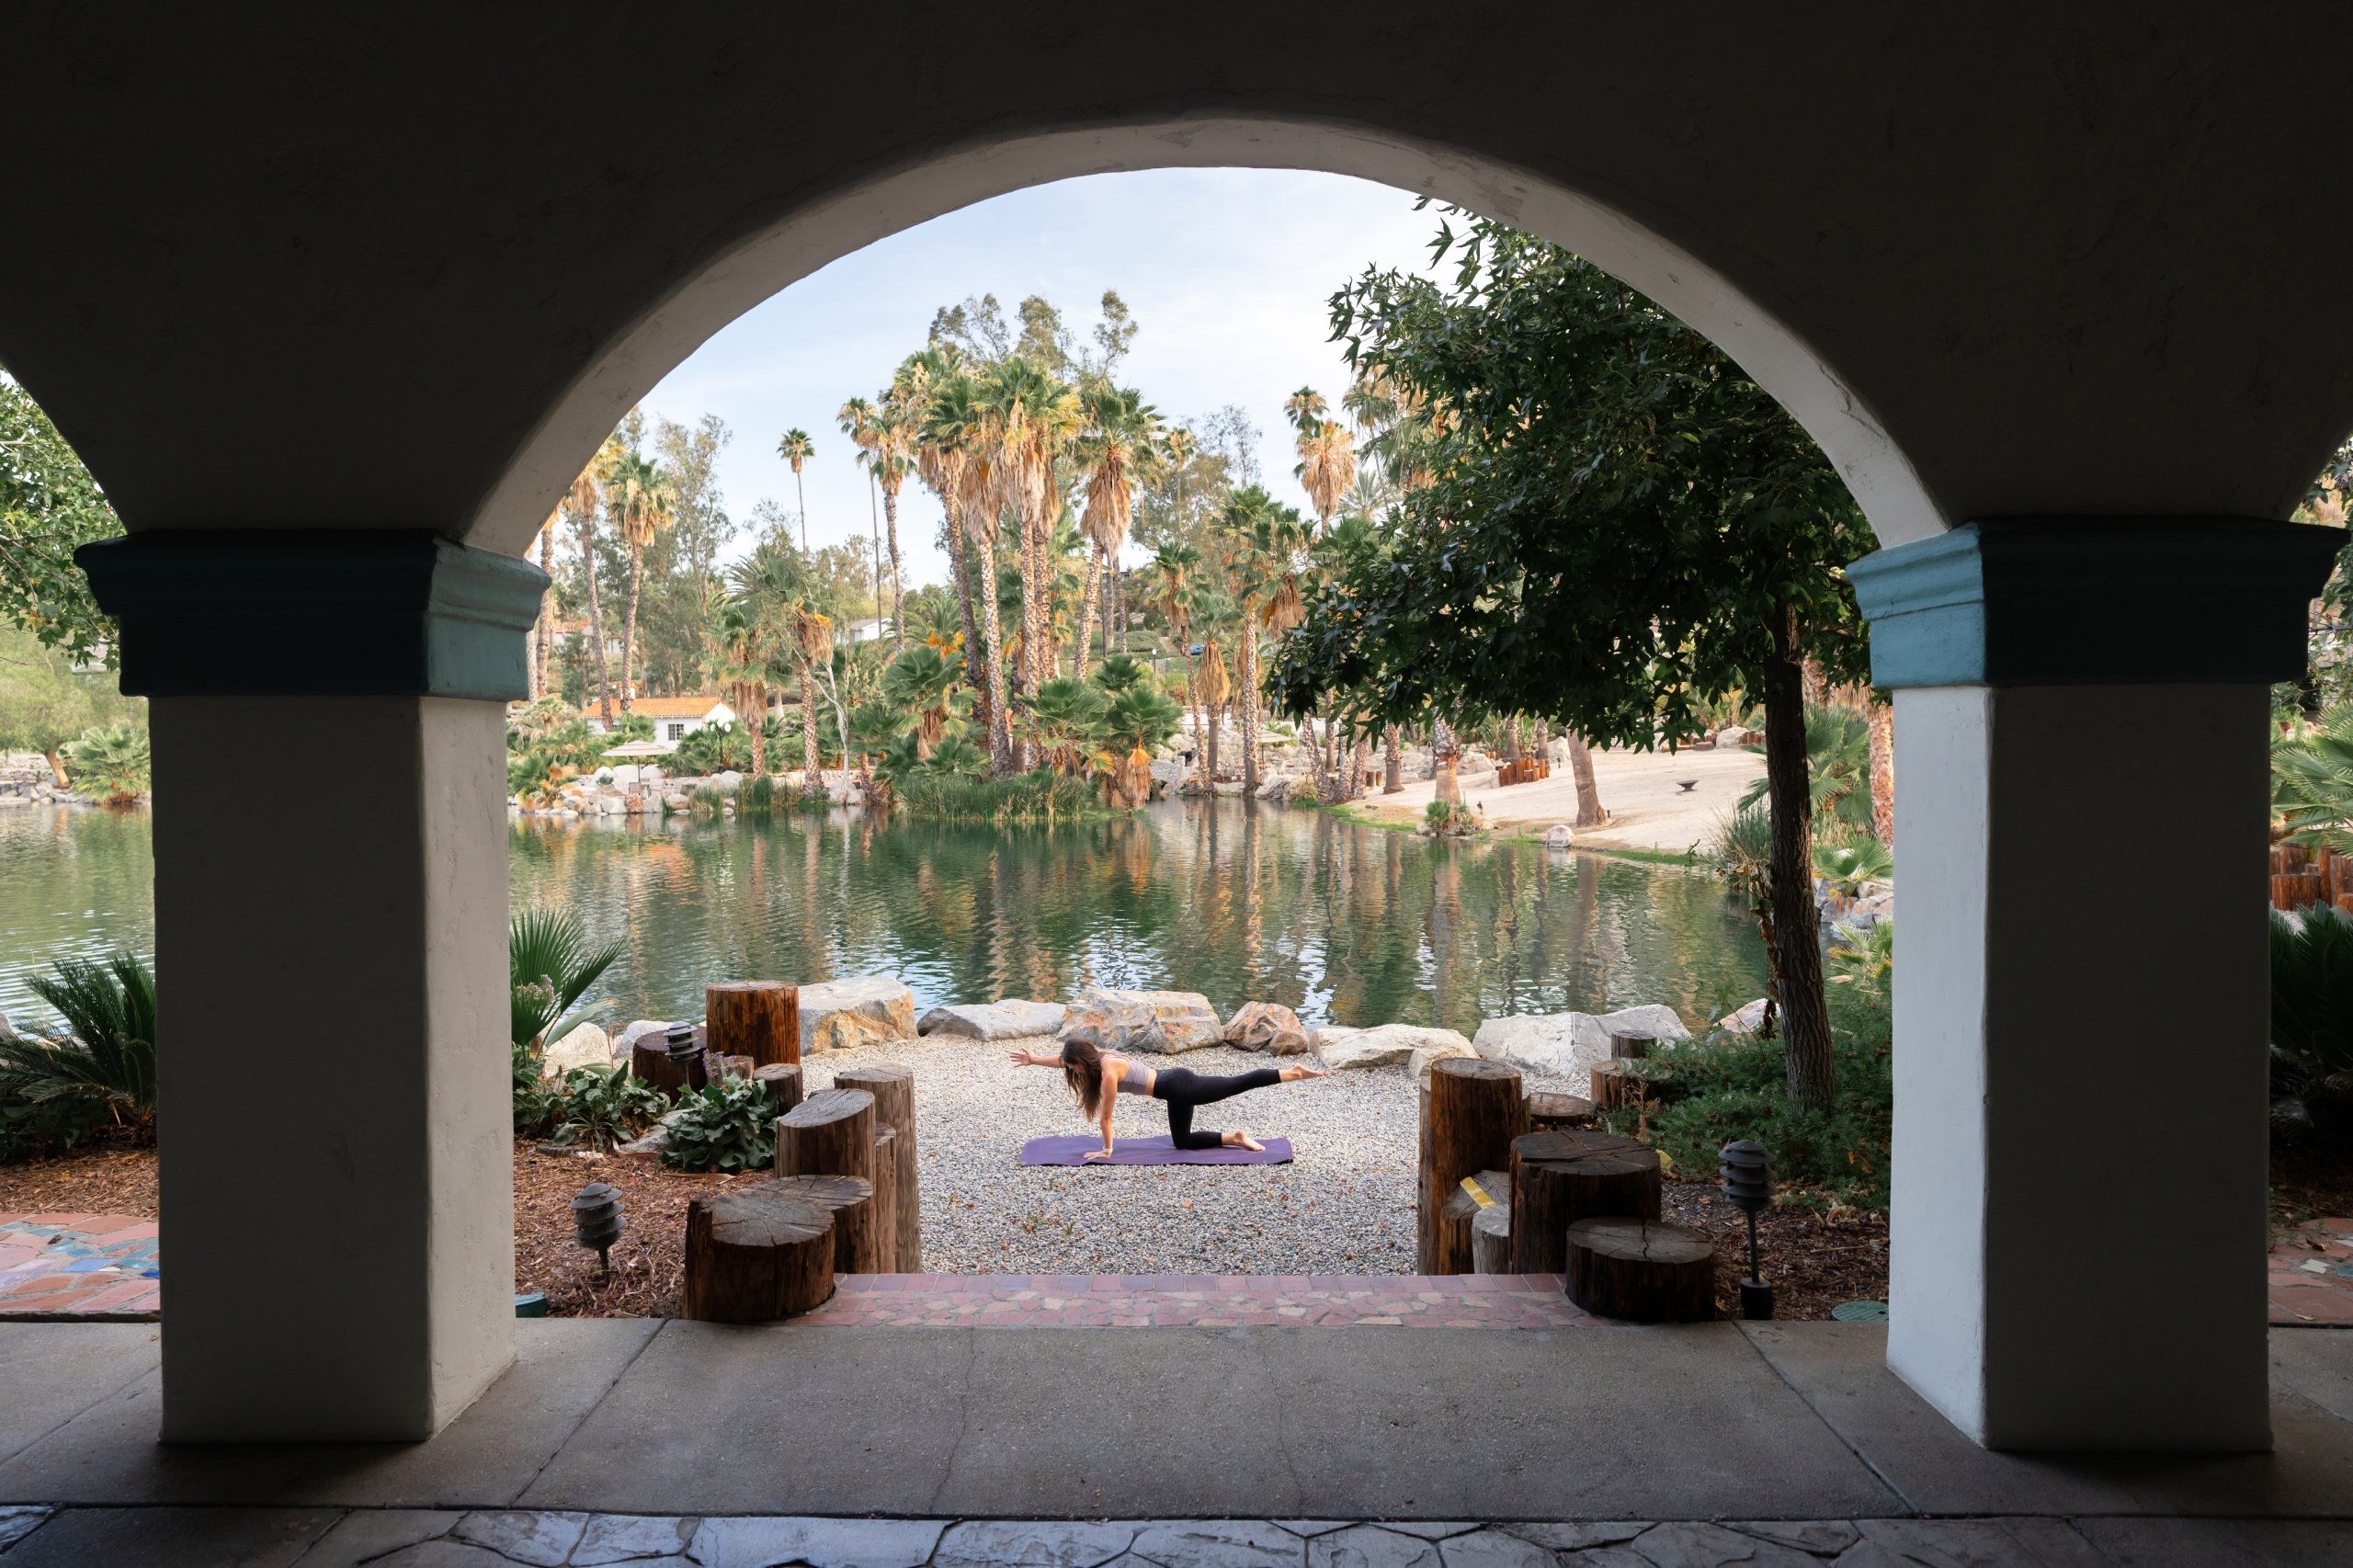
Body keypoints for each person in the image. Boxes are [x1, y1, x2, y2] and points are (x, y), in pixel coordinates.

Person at [1010, 1037, 1324, 1160]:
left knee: (1236, 1083)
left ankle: (1293, 1072)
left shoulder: (1107, 1074)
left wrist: (1107, 1150)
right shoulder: (1097, 1057)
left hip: (1181, 1086)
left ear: (1084, 1061)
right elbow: (1062, 1060)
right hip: (1173, 1089)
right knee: (1183, 1143)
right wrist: (1034, 1059)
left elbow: (1106, 1117)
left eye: (1073, 1066)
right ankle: (1236, 1137)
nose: (1071, 1071)